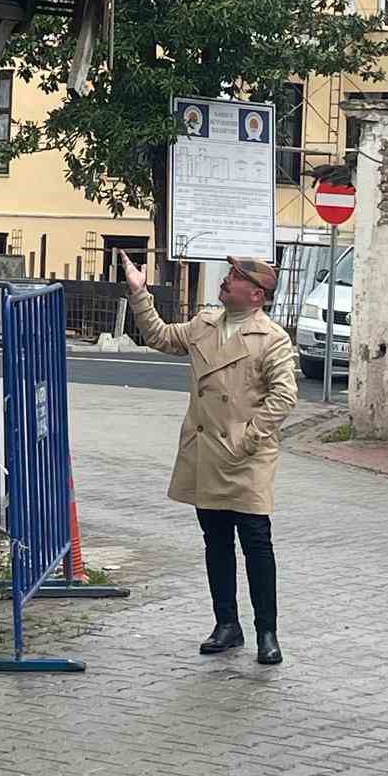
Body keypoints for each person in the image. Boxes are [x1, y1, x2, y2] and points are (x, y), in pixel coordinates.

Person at [120, 250, 297, 666]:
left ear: (256, 294)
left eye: (234, 276)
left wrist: (249, 438)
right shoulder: (204, 324)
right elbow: (160, 337)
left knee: (256, 543)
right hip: (206, 453)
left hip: (247, 457)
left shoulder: (272, 338)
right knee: (216, 542)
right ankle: (226, 624)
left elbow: (284, 395)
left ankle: (267, 632)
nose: (225, 280)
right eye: (228, 273)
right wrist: (139, 292)